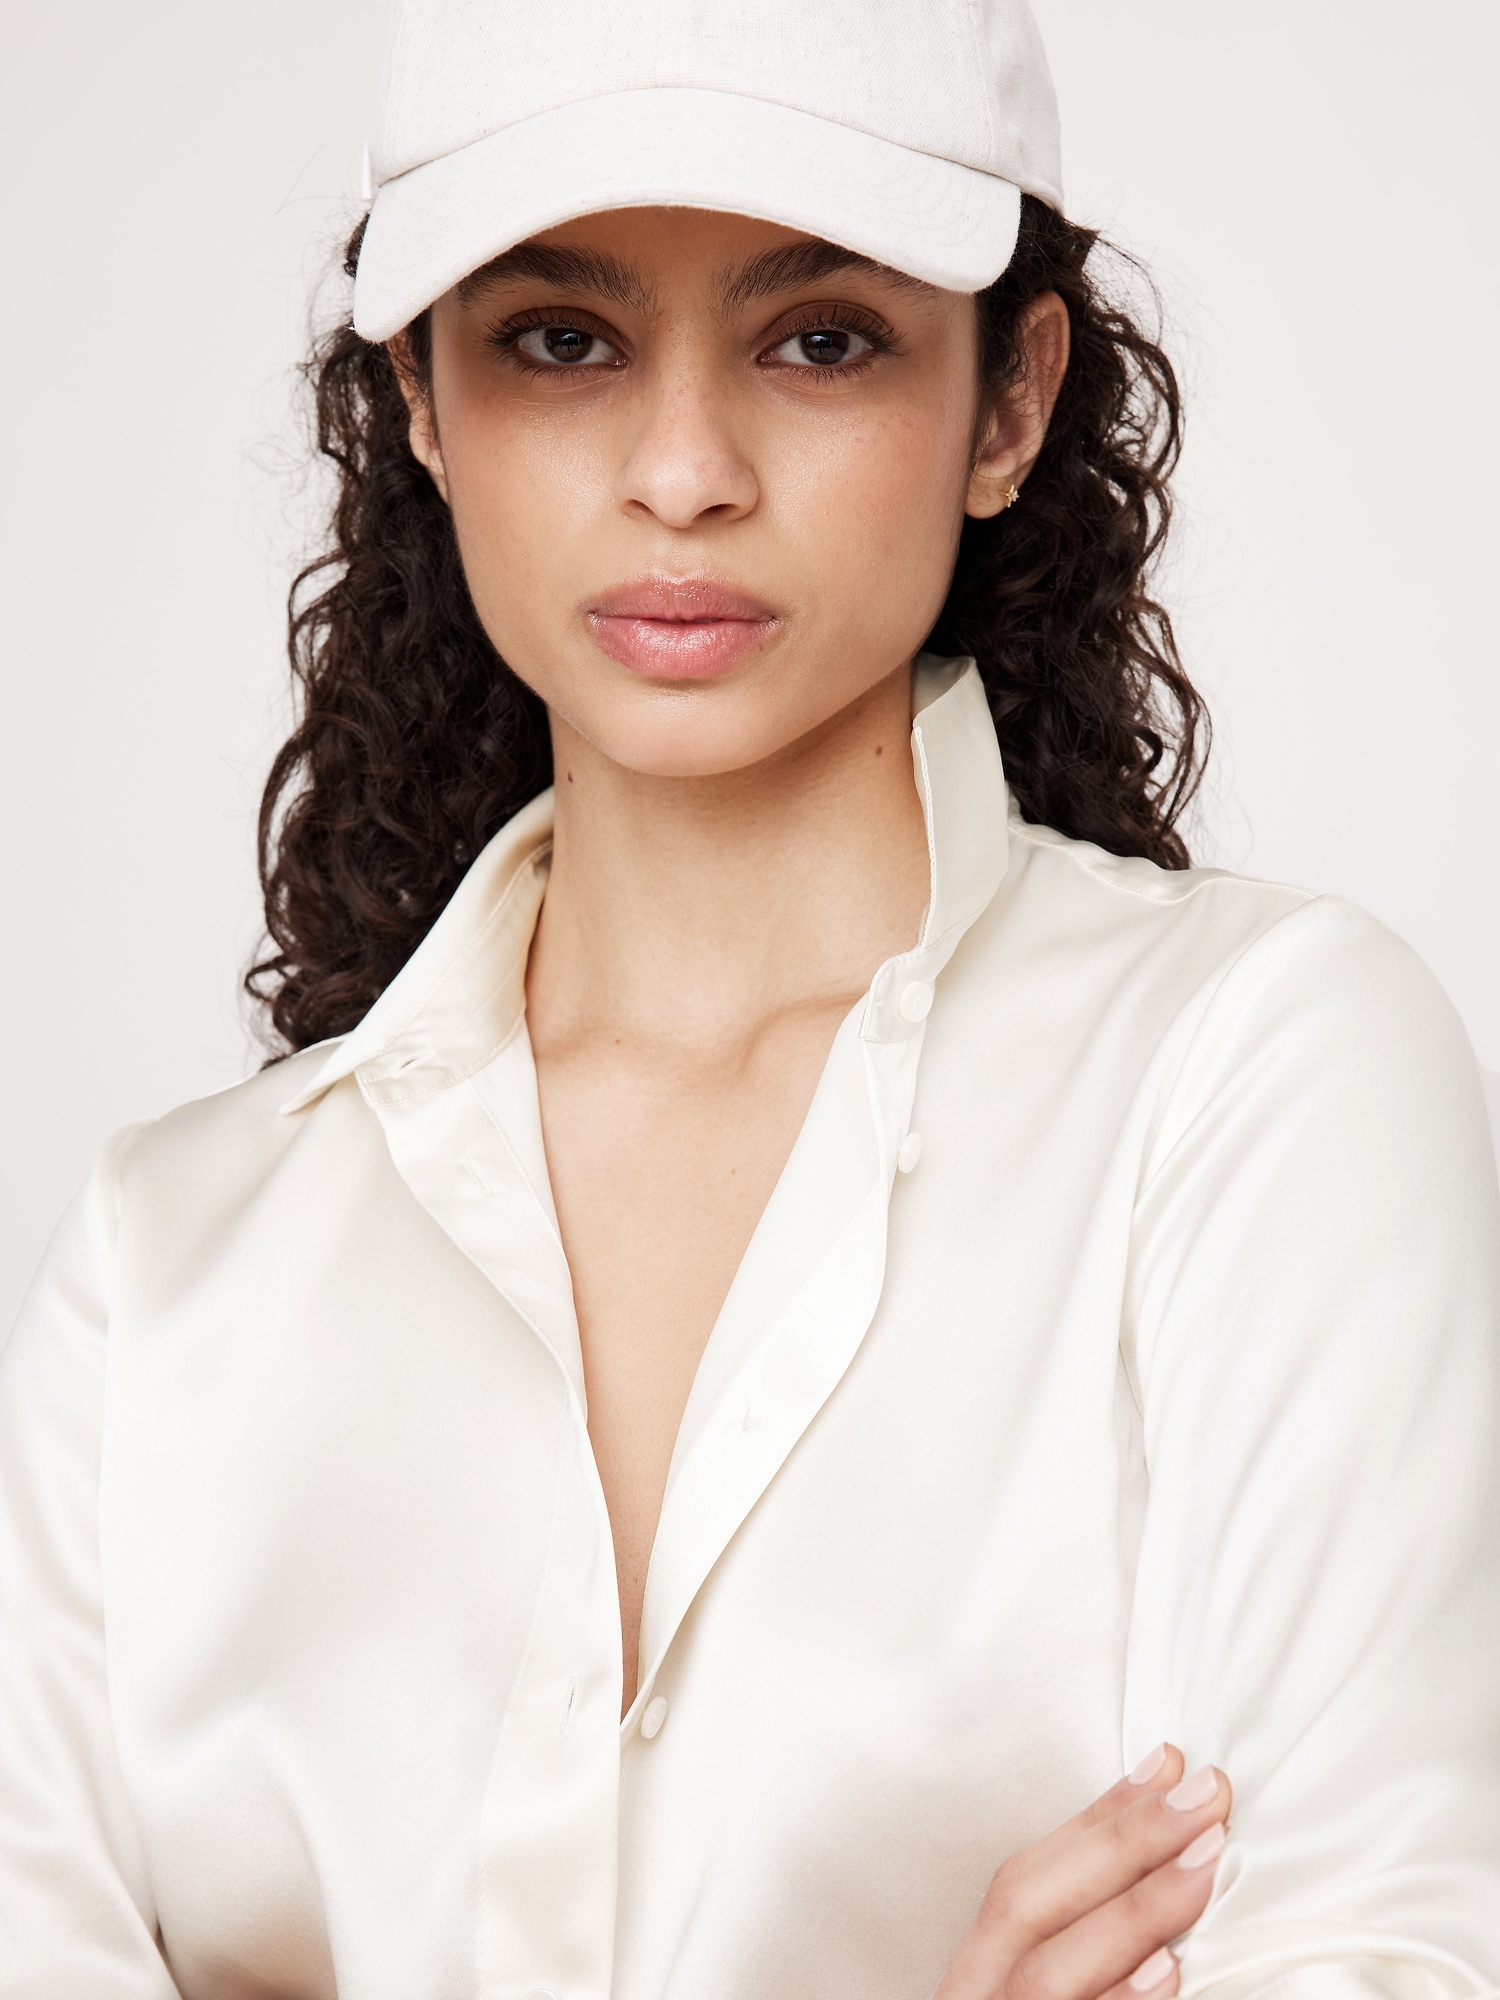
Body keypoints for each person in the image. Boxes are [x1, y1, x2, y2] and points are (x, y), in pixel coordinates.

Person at [2, 0, 1497, 1994]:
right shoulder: (164, 1272)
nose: (685, 471)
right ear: (420, 398)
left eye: (821, 340)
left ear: (1009, 401)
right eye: (561, 340)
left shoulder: (1251, 1088)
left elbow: (1370, 1950)